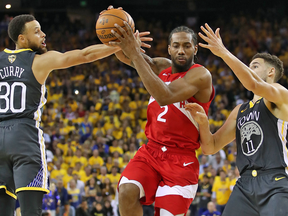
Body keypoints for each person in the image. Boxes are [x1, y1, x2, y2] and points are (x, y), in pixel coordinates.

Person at [0, 14, 151, 216]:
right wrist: (123, 45)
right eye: (37, 31)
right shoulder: (39, 60)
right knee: (30, 211)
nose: (43, 34)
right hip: (24, 136)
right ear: (22, 39)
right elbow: (85, 55)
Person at [105, 5, 215, 216]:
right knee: (126, 192)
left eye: (186, 46)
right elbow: (126, 57)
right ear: (169, 49)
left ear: (195, 49)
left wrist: (135, 53)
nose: (181, 50)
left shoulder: (200, 75)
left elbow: (164, 96)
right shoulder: (161, 67)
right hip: (151, 151)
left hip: (181, 159)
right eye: (176, 45)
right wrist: (119, 32)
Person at [185, 23, 288, 215]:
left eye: (255, 66)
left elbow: (253, 83)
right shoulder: (239, 110)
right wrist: (203, 124)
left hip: (276, 181)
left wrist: (223, 52)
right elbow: (210, 147)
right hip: (245, 185)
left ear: (271, 72)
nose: (248, 70)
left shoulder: (281, 95)